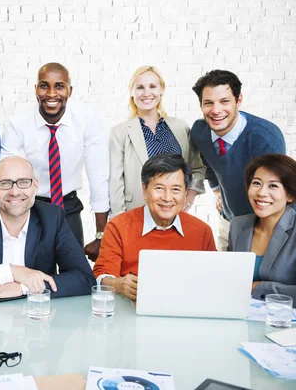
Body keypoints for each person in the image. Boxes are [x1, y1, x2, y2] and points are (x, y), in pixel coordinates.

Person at [0, 156, 96, 303]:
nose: (14, 192)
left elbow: (84, 279)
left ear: (35, 185)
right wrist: (11, 272)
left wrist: (23, 288)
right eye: (5, 183)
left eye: (23, 182)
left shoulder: (52, 218)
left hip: (39, 319)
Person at [1, 62, 109, 261]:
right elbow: (7, 174)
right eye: (44, 86)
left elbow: (98, 175)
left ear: (69, 90)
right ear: (35, 90)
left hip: (68, 206)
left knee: (77, 274)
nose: (51, 93)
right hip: (32, 208)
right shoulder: (18, 122)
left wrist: (101, 235)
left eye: (59, 86)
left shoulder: (87, 119)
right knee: (36, 277)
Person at [93, 153, 217, 302]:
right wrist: (119, 285)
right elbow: (102, 276)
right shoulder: (118, 226)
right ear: (145, 190)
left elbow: (213, 280)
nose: (167, 198)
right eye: (159, 188)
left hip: (185, 311)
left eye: (176, 190)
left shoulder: (202, 231)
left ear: (185, 192)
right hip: (131, 312)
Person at [191, 70, 286, 250]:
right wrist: (218, 191)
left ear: (238, 100)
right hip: (228, 220)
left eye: (224, 101)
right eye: (208, 103)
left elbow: (275, 191)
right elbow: (208, 164)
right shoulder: (199, 131)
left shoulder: (264, 138)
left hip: (263, 224)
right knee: (225, 275)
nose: (216, 110)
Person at [109, 65, 205, 216]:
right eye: (140, 87)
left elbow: (197, 168)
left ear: (162, 89)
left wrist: (190, 195)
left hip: (175, 213)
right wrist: (119, 218)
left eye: (152, 86)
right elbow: (115, 182)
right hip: (136, 212)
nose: (147, 93)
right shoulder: (120, 132)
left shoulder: (180, 127)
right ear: (131, 92)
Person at [228, 154, 296, 304]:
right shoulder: (238, 226)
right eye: (257, 183)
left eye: (273, 185)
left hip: (286, 321)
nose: (261, 193)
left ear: (290, 195)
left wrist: (259, 288)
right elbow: (229, 278)